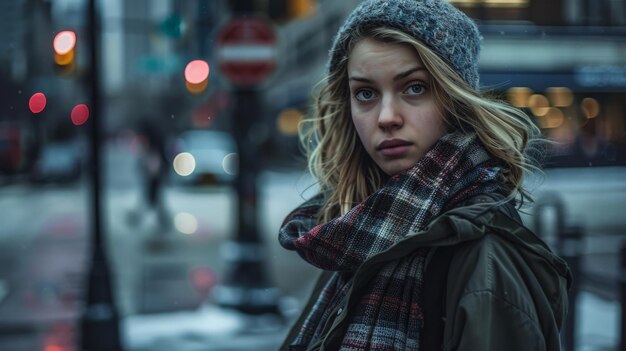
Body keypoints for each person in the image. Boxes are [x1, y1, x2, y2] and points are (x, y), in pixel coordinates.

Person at [278, 0, 571, 350]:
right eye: (366, 93)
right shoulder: (351, 234)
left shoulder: (486, 261)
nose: (386, 116)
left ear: (455, 98)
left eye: (414, 87)